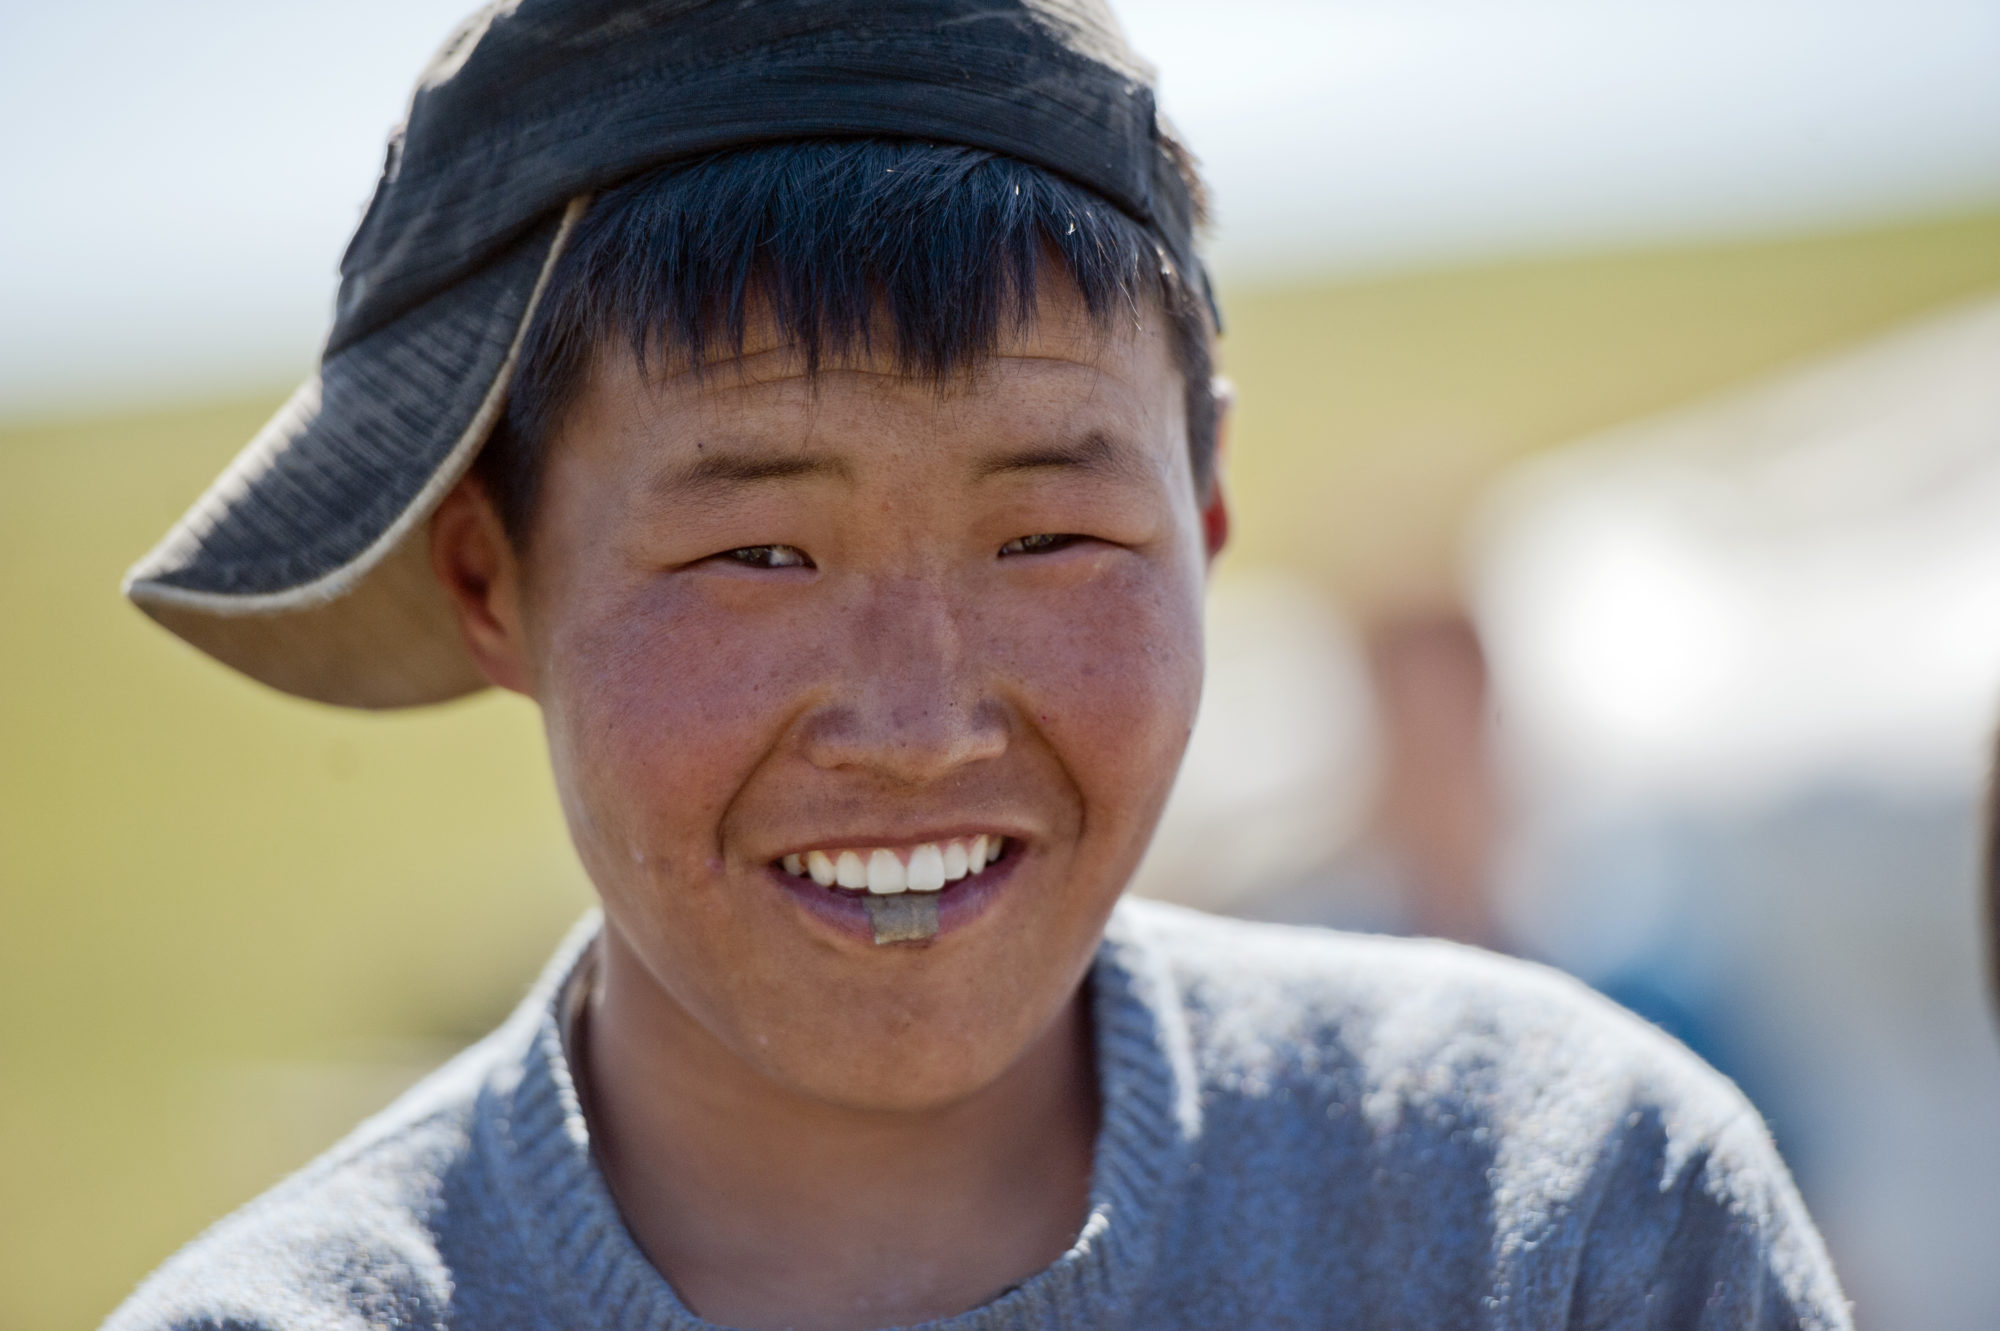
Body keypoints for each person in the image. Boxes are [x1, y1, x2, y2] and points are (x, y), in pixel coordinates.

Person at [106, 3, 1850, 1328]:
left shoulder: (1551, 1212)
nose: (922, 724)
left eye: (1048, 540)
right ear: (491, 579)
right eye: (755, 555)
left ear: (1210, 509)